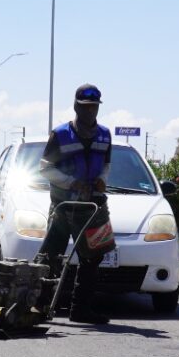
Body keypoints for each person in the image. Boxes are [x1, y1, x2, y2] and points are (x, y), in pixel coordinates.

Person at [37, 83, 116, 325]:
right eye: (85, 107)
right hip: (64, 207)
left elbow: (106, 164)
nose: (90, 111)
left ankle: (80, 309)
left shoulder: (104, 134)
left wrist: (102, 180)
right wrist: (72, 183)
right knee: (51, 256)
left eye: (93, 107)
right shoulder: (60, 134)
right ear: (75, 107)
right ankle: (40, 305)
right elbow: (45, 168)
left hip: (93, 208)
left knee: (92, 259)